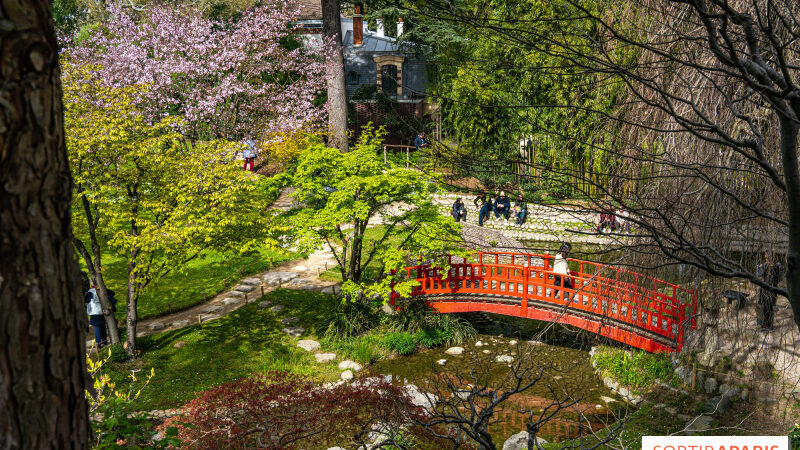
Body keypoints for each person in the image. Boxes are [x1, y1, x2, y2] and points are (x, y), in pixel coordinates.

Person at [756, 251, 784, 331]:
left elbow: (780, 278)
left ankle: (768, 325)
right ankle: (764, 324)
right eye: (765, 255)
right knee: (762, 306)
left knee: (769, 307)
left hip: (772, 290)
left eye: (767, 255)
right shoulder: (765, 265)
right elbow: (759, 276)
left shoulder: (777, 266)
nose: (766, 257)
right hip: (764, 289)